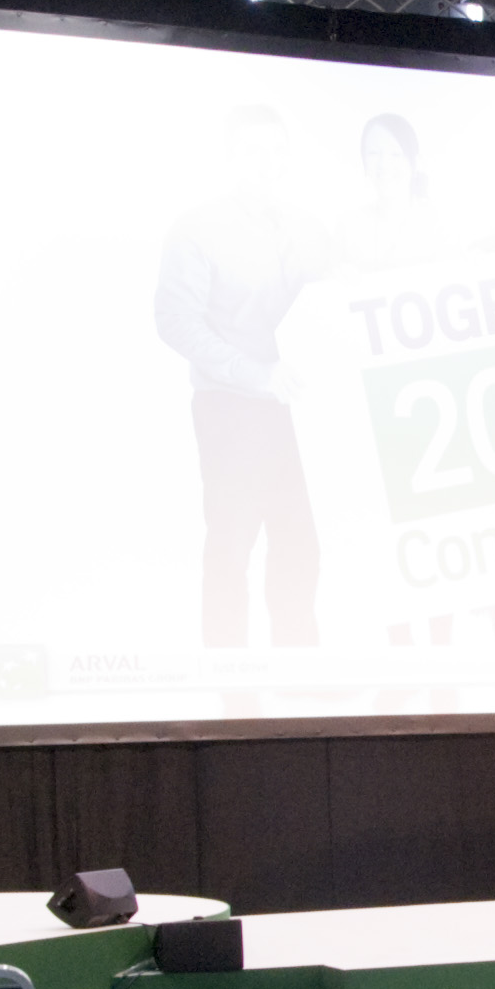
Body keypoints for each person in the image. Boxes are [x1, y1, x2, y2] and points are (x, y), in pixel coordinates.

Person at [153, 105, 321, 647]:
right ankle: (229, 694)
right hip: (231, 409)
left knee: (300, 542)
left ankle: (300, 678)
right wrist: (254, 375)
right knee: (231, 546)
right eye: (253, 149)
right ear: (230, 157)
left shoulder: (304, 224)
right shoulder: (198, 227)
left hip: (299, 414)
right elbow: (174, 319)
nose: (266, 161)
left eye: (276, 149)